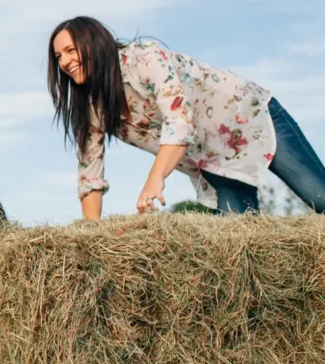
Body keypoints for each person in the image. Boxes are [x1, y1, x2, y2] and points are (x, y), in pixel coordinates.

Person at [48, 16, 325, 218]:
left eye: (71, 50)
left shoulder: (144, 59)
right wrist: (91, 238)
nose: (64, 62)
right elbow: (89, 176)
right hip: (214, 163)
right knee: (236, 249)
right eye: (58, 56)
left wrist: (154, 179)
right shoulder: (92, 110)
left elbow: (179, 122)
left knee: (318, 196)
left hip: (249, 121)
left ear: (94, 43)